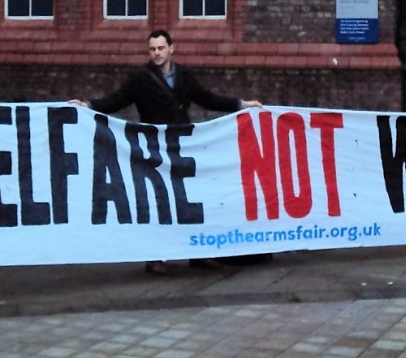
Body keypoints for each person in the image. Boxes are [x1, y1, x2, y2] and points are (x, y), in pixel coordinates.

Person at [71, 30, 263, 275]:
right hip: (154, 149)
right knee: (158, 202)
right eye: (152, 49)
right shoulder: (140, 78)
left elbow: (207, 99)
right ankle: (155, 258)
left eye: (161, 48)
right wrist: (88, 106)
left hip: (183, 145)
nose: (157, 53)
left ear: (172, 48)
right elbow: (116, 101)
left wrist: (241, 104)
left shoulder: (184, 76)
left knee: (191, 199)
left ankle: (196, 253)